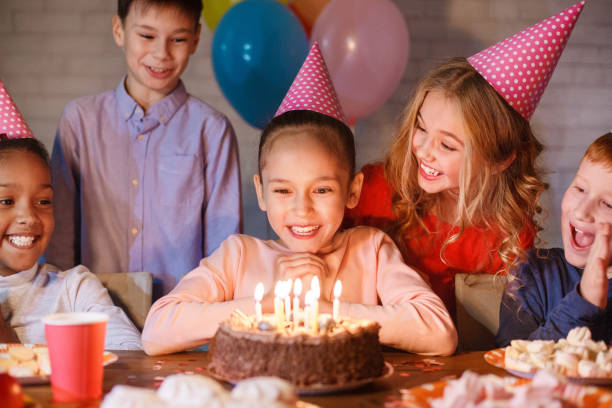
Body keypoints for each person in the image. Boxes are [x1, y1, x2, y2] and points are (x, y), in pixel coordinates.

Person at [141, 44, 457, 356]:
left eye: (321, 190)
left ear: (353, 192)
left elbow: (438, 332)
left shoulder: (370, 251)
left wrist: (325, 311)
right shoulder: (238, 257)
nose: (301, 209)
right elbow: (157, 331)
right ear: (261, 192)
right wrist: (271, 305)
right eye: (282, 191)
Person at [344, 2, 585, 318]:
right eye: (421, 127)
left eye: (447, 145)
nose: (424, 150)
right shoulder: (376, 189)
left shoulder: (508, 231)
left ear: (498, 161)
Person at [45, 0, 242, 298]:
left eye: (177, 39)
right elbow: (60, 238)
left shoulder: (212, 131)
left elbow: (223, 246)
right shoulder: (80, 121)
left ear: (196, 39)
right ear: (119, 30)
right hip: (94, 315)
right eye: (147, 36)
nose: (161, 53)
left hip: (182, 318)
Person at [0, 136, 141, 349]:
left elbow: (132, 354)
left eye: (43, 201)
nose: (29, 217)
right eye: (6, 201)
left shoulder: (74, 289)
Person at [497, 133, 612, 346]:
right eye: (580, 189)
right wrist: (584, 301)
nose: (581, 212)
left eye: (608, 204)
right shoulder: (531, 273)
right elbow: (511, 360)